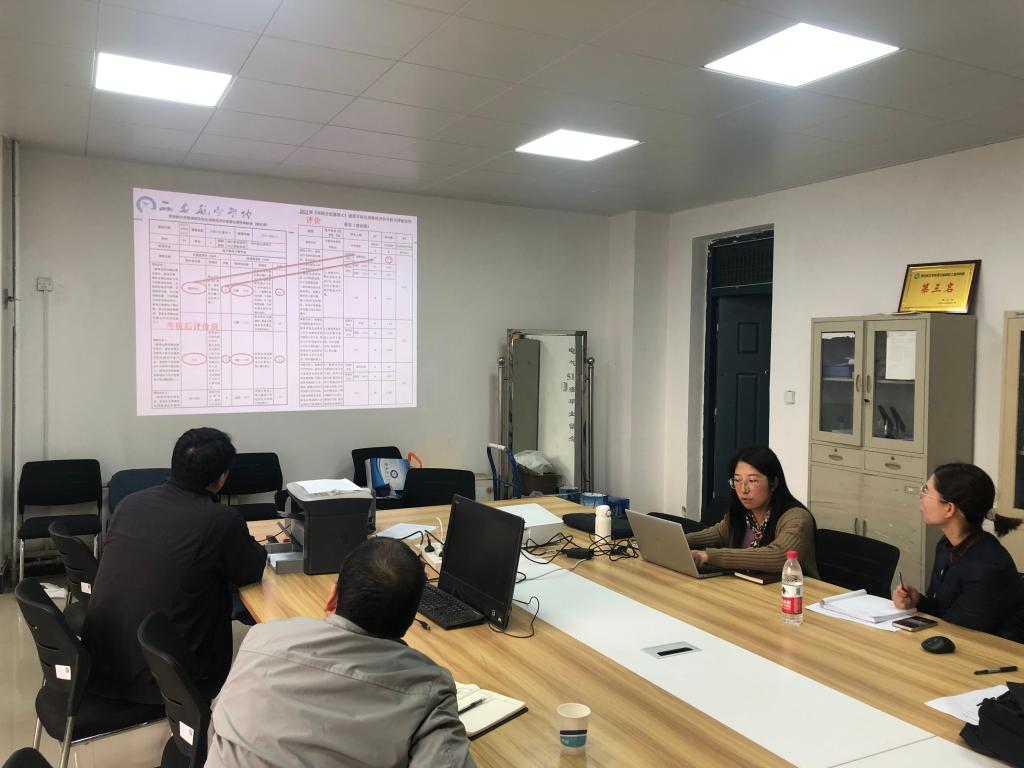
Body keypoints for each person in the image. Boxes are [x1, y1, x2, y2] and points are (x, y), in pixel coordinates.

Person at [205, 537, 475, 768]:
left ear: (332, 597)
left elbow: (216, 727)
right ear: (408, 621)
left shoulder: (260, 638)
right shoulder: (430, 688)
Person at [82, 427, 266, 705]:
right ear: (221, 477)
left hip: (99, 666)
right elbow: (250, 571)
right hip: (167, 679)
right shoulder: (219, 520)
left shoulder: (130, 504)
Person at [893, 463, 1024, 635]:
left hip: (990, 648)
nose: (920, 497)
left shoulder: (986, 567)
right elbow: (944, 611)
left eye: (926, 491)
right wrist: (918, 602)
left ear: (949, 509)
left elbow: (961, 633)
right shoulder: (946, 544)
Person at [686, 446, 818, 577]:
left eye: (752, 480)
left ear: (773, 483)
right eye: (737, 480)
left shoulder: (797, 518)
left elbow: (779, 556)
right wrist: (681, 541)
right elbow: (717, 534)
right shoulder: (743, 514)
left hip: (793, 589)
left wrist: (708, 556)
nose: (743, 489)